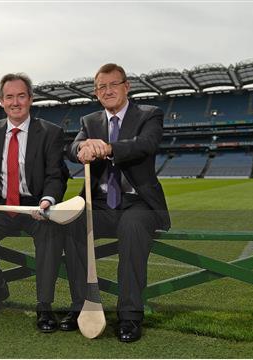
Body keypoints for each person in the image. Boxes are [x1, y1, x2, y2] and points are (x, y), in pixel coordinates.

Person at [62, 63, 171, 342]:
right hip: (99, 202)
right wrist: (83, 147)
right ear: (96, 92)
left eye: (113, 84)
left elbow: (146, 144)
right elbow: (73, 148)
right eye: (101, 87)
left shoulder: (150, 114)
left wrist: (109, 148)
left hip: (138, 203)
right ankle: (82, 307)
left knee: (132, 228)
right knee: (72, 227)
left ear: (127, 86)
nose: (107, 90)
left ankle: (130, 315)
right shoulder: (90, 121)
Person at [0, 73, 68, 333]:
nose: (15, 102)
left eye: (21, 96)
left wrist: (47, 201)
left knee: (50, 237)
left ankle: (44, 305)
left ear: (31, 99)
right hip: (0, 204)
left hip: (36, 205)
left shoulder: (50, 132)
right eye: (9, 96)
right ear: (1, 101)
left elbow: (57, 175)